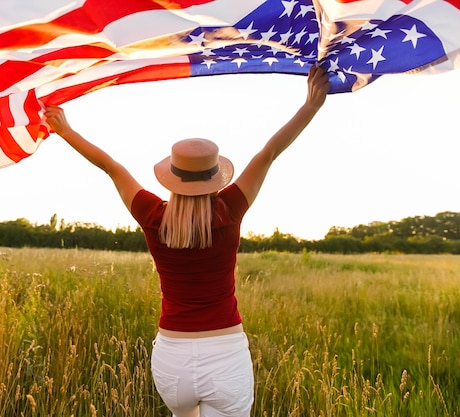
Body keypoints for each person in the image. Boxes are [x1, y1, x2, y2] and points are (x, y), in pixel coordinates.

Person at [44, 66, 330, 417]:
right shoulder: (229, 210)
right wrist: (311, 106)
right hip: (225, 355)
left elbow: (110, 166)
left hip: (172, 358)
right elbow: (268, 153)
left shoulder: (153, 215)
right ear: (214, 177)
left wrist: (65, 131)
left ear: (172, 177)